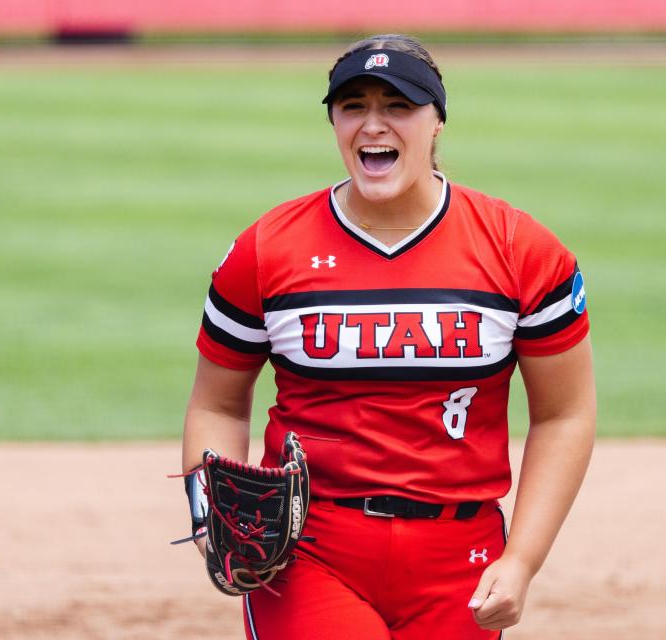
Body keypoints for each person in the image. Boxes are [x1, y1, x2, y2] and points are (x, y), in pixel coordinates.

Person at [181, 33, 595, 640]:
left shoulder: (519, 250)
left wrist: (522, 560)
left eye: (398, 106)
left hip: (461, 556)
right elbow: (216, 402)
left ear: (437, 124)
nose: (373, 125)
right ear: (334, 121)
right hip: (310, 552)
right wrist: (208, 517)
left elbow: (565, 414)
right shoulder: (268, 251)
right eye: (353, 106)